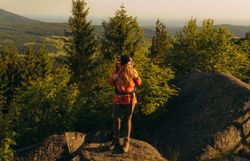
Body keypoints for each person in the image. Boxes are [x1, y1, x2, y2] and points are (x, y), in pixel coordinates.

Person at [108, 55, 142, 153]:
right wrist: (113, 78)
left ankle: (126, 142)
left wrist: (136, 77)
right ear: (125, 63)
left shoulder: (133, 71)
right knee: (116, 118)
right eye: (129, 62)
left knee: (127, 119)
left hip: (130, 98)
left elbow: (139, 83)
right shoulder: (117, 71)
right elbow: (110, 82)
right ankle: (115, 140)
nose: (130, 63)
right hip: (118, 98)